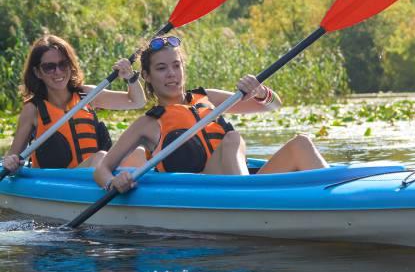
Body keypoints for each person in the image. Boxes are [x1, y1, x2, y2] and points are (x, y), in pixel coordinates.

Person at [94, 35, 328, 193]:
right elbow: (102, 170)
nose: (171, 74)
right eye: (161, 68)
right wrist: (113, 182)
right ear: (146, 75)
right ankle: (249, 200)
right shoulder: (147, 123)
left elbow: (272, 106)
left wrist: (259, 91)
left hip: (239, 185)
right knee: (232, 139)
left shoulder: (208, 98)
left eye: (176, 65)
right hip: (206, 193)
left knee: (301, 144)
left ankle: (336, 199)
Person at [2, 34, 146, 172]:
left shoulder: (87, 95)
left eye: (63, 64)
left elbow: (137, 101)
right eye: (49, 67)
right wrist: (11, 162)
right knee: (101, 157)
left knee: (139, 153)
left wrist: (130, 77)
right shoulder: (33, 109)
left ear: (70, 66)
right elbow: (13, 155)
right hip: (61, 183)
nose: (58, 72)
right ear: (38, 72)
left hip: (96, 176)